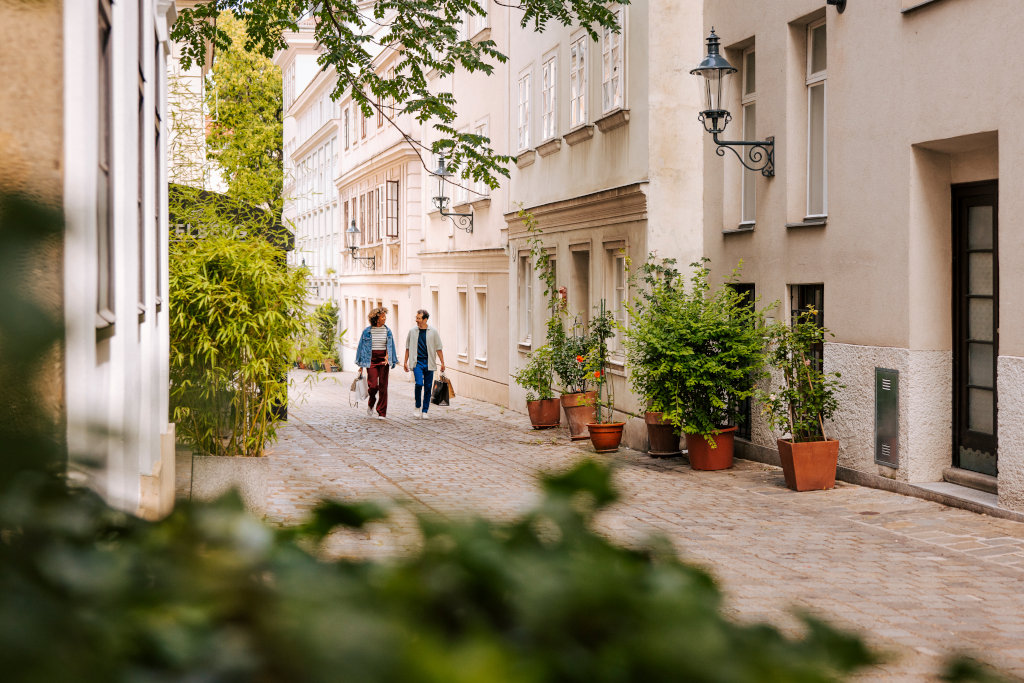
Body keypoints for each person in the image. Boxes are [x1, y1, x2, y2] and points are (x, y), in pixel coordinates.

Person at [355, 307, 397, 419]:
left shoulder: (387, 331)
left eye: (385, 316)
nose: (385, 318)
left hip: (383, 360)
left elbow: (391, 345)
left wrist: (389, 357)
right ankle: (371, 401)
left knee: (383, 386)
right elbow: (361, 347)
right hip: (371, 360)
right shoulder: (367, 331)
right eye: (383, 316)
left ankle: (381, 412)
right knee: (373, 385)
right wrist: (360, 365)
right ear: (376, 319)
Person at [403, 309, 445, 419]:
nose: (416, 320)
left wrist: (442, 363)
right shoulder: (412, 331)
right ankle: (417, 406)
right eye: (416, 318)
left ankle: (425, 410)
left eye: (419, 318)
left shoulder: (433, 332)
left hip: (429, 362)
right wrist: (405, 362)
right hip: (417, 362)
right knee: (419, 383)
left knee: (427, 387)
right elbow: (407, 347)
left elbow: (438, 348)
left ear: (425, 319)